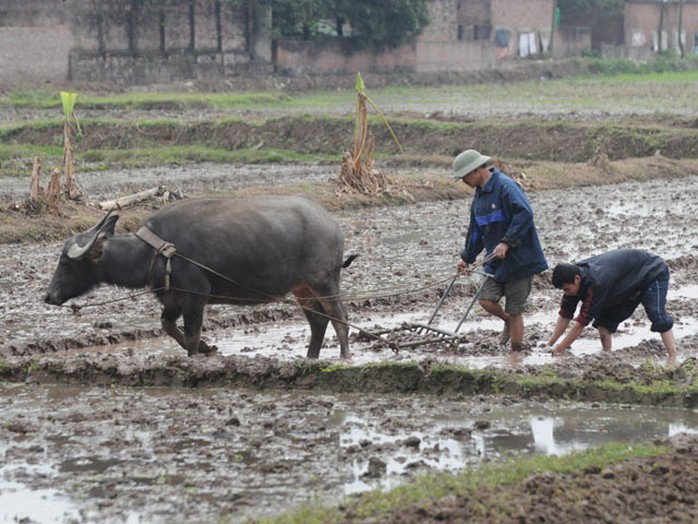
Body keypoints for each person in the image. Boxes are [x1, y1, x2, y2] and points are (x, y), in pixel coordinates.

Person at [453, 149, 548, 352]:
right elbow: (476, 232)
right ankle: (506, 321)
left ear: (477, 170)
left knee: (515, 310)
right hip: (495, 261)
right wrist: (467, 258)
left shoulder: (506, 186)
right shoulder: (479, 199)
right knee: (485, 300)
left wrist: (506, 242)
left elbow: (524, 213)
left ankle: (516, 353)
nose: (464, 181)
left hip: (519, 260)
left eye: (464, 176)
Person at [547, 249, 677, 359]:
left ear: (577, 279)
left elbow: (581, 323)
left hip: (652, 271)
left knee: (656, 314)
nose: (566, 293)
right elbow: (565, 315)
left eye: (566, 289)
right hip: (625, 282)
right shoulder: (571, 280)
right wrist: (550, 344)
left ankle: (673, 356)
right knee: (604, 323)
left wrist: (559, 350)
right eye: (563, 290)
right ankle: (608, 357)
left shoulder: (595, 283)